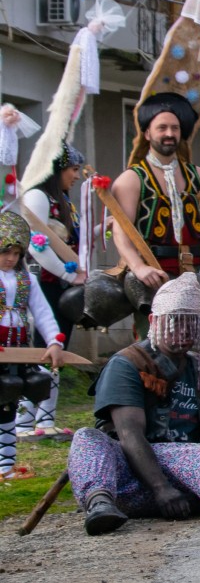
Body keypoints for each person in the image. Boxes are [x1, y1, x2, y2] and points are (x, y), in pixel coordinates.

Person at [66, 273, 200, 533]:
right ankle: (100, 503)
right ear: (153, 321)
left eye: (191, 322)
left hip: (192, 479)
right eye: (175, 321)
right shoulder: (127, 364)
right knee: (87, 438)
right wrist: (161, 489)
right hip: (130, 478)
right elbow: (129, 434)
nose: (184, 330)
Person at [18, 143, 84, 441]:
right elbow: (37, 244)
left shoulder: (62, 200)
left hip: (59, 284)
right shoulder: (38, 197)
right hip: (42, 283)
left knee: (56, 348)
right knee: (40, 348)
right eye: (73, 169)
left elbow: (68, 242)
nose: (77, 175)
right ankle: (23, 419)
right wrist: (68, 274)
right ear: (57, 169)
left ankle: (45, 418)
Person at [111, 92, 200, 288]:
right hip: (154, 276)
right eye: (162, 128)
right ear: (147, 133)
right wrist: (139, 267)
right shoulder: (130, 180)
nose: (169, 134)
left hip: (198, 273)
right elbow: (120, 232)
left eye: (175, 128)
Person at [0, 212, 68, 477]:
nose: (11, 258)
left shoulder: (26, 279)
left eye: (17, 254)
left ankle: (5, 466)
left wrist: (53, 342)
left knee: (8, 402)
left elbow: (42, 312)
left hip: (17, 350)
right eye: (6, 252)